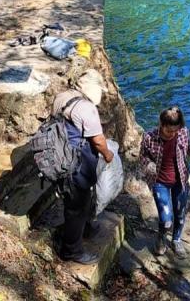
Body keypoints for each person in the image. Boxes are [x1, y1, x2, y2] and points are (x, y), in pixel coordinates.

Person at [52, 69, 115, 265]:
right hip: (75, 164)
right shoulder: (86, 108)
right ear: (92, 88)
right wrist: (108, 154)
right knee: (76, 207)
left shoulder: (63, 97)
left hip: (60, 155)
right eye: (100, 90)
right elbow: (98, 141)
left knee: (81, 201)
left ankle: (86, 227)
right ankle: (72, 251)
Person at [139, 106, 190, 258]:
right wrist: (150, 167)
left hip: (180, 180)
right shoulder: (149, 137)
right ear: (161, 124)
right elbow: (143, 157)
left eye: (175, 130)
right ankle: (161, 237)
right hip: (159, 182)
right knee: (166, 219)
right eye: (169, 130)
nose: (172, 134)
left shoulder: (183, 132)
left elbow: (189, 148)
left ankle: (176, 240)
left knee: (180, 214)